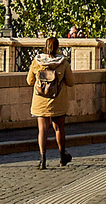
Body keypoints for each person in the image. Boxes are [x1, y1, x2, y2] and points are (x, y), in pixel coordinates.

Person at [30, 35, 74, 169]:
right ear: (57, 47)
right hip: (58, 100)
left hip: (40, 100)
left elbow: (29, 81)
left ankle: (42, 159)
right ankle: (62, 156)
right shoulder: (63, 63)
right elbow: (71, 82)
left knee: (42, 129)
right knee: (59, 128)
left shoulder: (37, 61)